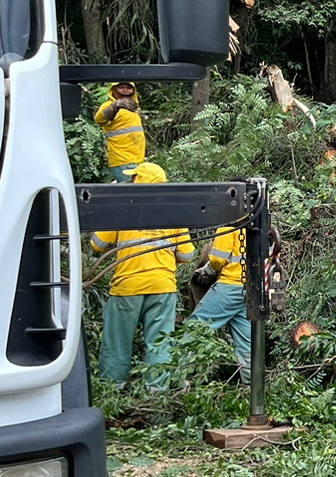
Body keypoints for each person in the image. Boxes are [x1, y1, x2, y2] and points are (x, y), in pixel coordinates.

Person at [90, 162, 194, 388]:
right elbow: (187, 255)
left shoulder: (123, 208)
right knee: (160, 344)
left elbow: (98, 244)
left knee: (117, 344)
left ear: (141, 182)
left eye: (134, 178)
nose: (131, 181)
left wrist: (108, 205)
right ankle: (158, 395)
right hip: (163, 288)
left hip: (128, 287)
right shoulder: (174, 212)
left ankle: (112, 391)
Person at [190, 226, 251, 380]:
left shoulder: (229, 226)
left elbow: (218, 259)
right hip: (251, 292)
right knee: (247, 344)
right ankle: (251, 386)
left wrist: (206, 271)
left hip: (229, 287)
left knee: (194, 328)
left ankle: (174, 376)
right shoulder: (262, 224)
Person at [94, 81, 146, 181]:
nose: (125, 91)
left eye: (128, 88)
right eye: (121, 87)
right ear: (113, 90)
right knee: (131, 193)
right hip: (123, 160)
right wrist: (115, 105)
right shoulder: (108, 105)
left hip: (136, 160)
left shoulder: (132, 110)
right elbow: (99, 119)